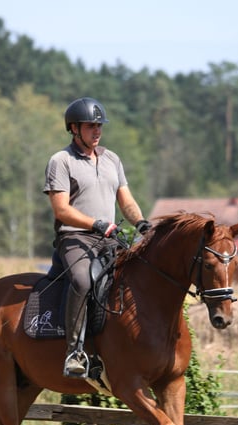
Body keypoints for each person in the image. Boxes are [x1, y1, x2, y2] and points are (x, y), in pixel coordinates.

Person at [44, 97, 151, 377]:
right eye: (91, 125)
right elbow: (61, 209)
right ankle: (74, 352)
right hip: (75, 239)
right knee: (82, 280)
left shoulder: (112, 159)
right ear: (74, 128)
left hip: (109, 238)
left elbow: (126, 201)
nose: (97, 130)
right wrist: (96, 223)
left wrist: (141, 223)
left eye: (99, 125)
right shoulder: (61, 161)